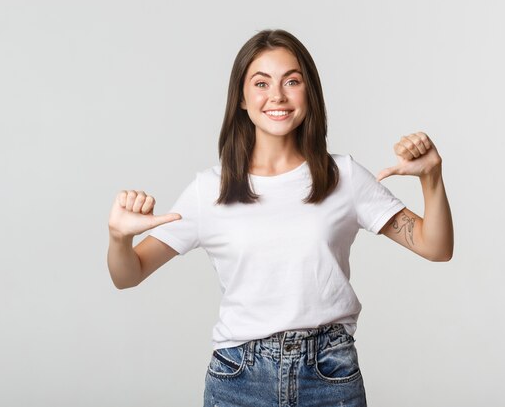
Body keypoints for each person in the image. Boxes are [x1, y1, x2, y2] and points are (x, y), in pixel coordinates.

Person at [107, 29, 453, 407]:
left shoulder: (343, 177)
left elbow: (435, 247)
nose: (277, 96)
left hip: (329, 374)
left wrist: (431, 178)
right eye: (261, 83)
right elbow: (128, 275)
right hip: (239, 379)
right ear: (241, 98)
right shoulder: (211, 190)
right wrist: (119, 238)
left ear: (309, 92)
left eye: (292, 81)